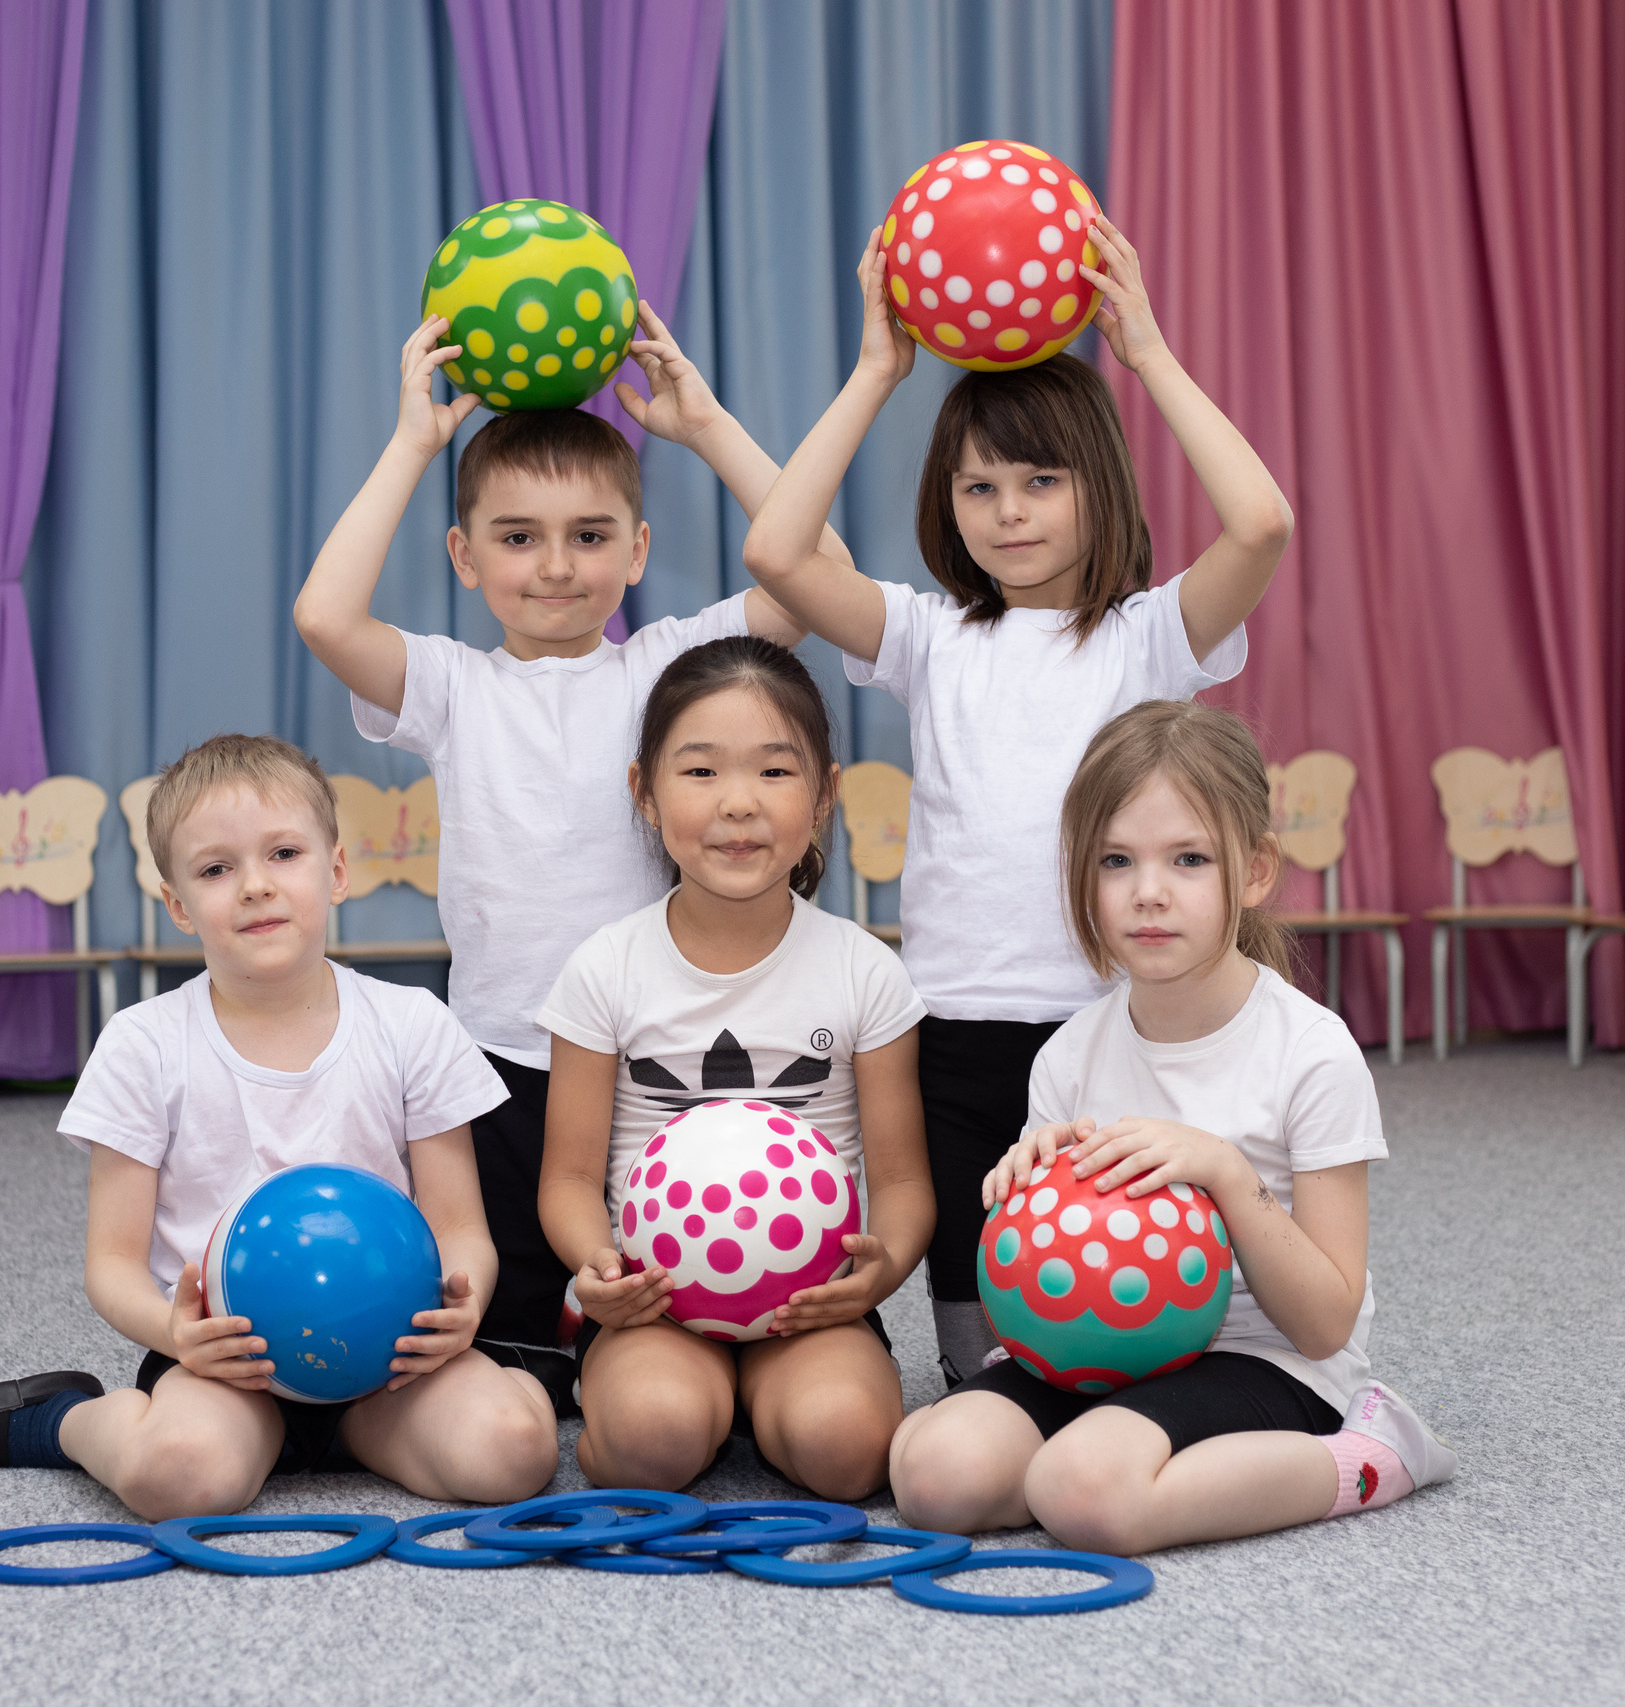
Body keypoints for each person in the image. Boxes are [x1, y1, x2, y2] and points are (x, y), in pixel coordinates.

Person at [740, 213, 1295, 1386]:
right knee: (978, 1348)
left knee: (1115, 1299)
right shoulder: (931, 634)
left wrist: (1144, 352)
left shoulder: (1152, 637)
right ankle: (994, 1413)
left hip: (1112, 1021)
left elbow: (1261, 523)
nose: (1009, 511)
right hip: (950, 1028)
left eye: (1042, 480)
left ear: (1098, 485)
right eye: (980, 485)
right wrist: (876, 372)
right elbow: (780, 554)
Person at [293, 309, 847, 1408]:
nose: (557, 566)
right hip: (495, 1059)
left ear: (638, 551)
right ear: (464, 556)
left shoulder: (667, 665)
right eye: (517, 537)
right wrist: (413, 442)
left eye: (591, 536)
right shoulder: (451, 686)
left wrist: (707, 427)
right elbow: (322, 613)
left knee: (672, 1300)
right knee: (516, 1362)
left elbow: (815, 574)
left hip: (655, 1070)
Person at [0, 735, 558, 1519]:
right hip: (223, 1363)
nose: (254, 887)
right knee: (179, 1481)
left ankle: (484, 1389)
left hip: (387, 1364)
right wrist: (175, 1332)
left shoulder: (413, 1022)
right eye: (215, 869)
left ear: (336, 871)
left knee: (513, 1454)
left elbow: (461, 1228)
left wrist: (463, 1313)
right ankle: (59, 1420)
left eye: (283, 853)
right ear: (177, 904)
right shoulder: (144, 1042)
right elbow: (111, 1263)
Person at [886, 701, 1455, 1552]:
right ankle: (1101, 1448)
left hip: (1267, 1357)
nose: (1149, 891)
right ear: (1082, 877)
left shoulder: (1312, 1050)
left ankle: (1374, 1453)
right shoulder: (1070, 1056)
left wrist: (1225, 1172)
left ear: (1255, 870)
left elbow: (1326, 1323)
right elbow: (1022, 1326)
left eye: (1188, 858)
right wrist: (1022, 1220)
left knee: (1086, 1495)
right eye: (1117, 860)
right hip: (1106, 1354)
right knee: (932, 1476)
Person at [536, 638, 933, 1499]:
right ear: (644, 792)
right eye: (702, 771)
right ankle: (661, 1413)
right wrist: (598, 1267)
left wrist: (883, 1267)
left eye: (776, 773)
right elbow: (567, 1177)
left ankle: (769, 1403)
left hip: (810, 1308)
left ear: (826, 794)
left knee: (851, 1451)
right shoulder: (604, 968)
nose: (739, 805)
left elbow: (904, 1184)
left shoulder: (866, 970)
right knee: (654, 1441)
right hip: (657, 1305)